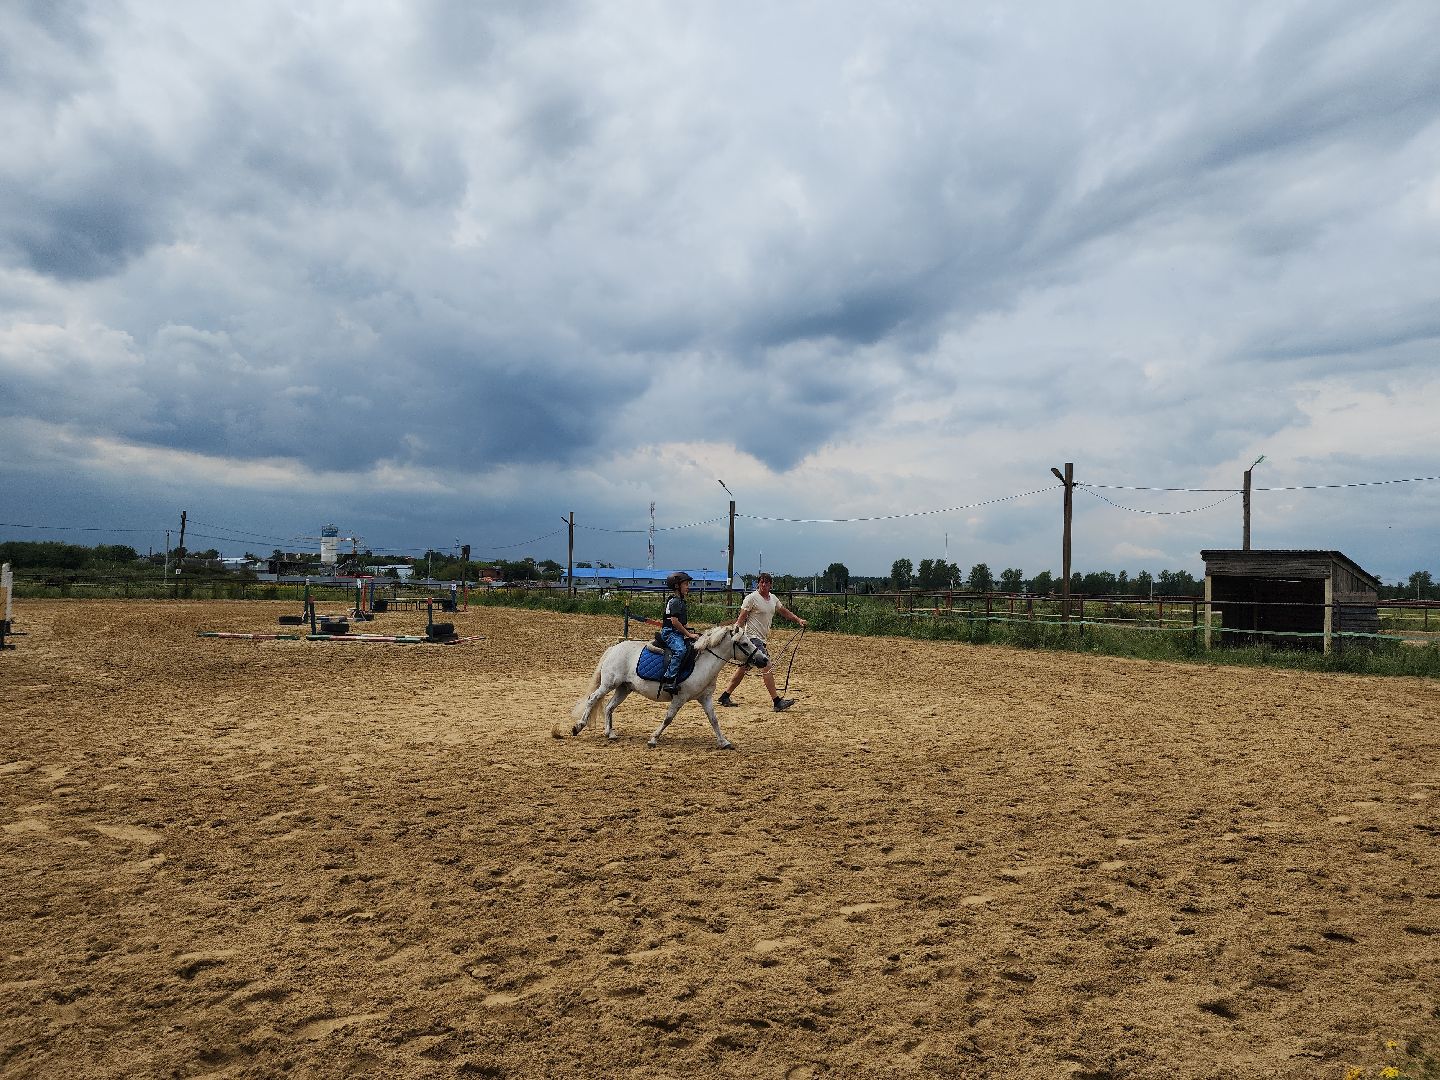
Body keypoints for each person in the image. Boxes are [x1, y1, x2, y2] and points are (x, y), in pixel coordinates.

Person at [718, 572, 806, 711]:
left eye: (766, 582)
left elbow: (783, 611)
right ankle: (777, 702)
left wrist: (798, 620)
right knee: (766, 666)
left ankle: (724, 696)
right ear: (758, 583)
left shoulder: (773, 599)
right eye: (761, 582)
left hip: (761, 639)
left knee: (743, 668)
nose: (764, 585)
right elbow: (741, 619)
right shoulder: (751, 598)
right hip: (752, 639)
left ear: (770, 584)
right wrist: (734, 635)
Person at [659, 571, 699, 692]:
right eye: (686, 584)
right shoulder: (675, 601)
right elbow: (675, 622)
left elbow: (682, 623)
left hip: (677, 631)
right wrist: (688, 634)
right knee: (680, 650)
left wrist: (691, 631)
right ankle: (669, 680)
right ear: (677, 586)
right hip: (670, 633)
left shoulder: (680, 601)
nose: (688, 587)